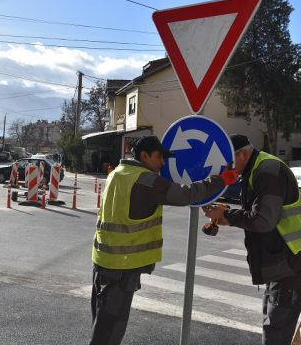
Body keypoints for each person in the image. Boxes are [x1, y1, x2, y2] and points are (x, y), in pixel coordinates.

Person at [89, 135, 238, 345]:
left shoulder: (116, 174)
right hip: (121, 268)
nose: (162, 163)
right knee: (109, 333)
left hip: (103, 262)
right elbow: (187, 194)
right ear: (144, 155)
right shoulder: (146, 180)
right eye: (159, 157)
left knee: (102, 325)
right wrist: (222, 179)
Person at [203, 134, 301, 345]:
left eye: (230, 162)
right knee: (273, 323)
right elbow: (260, 212)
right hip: (283, 258)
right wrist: (228, 215)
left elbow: (264, 220)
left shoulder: (267, 171)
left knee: (276, 330)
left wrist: (228, 216)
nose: (227, 169)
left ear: (243, 154)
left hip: (290, 258)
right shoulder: (256, 168)